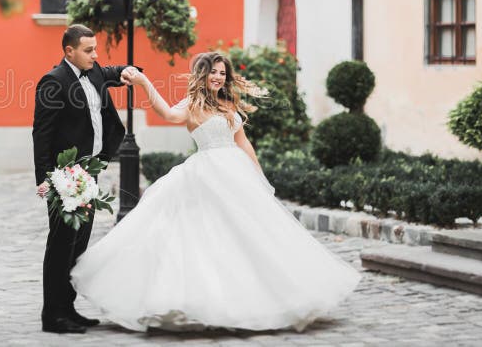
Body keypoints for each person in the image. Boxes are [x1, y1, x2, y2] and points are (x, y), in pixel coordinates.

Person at [69, 51, 361, 332]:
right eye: (214, 72)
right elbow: (168, 114)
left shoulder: (228, 103)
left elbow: (243, 142)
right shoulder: (192, 104)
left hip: (237, 173)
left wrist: (259, 177)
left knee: (251, 237)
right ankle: (208, 301)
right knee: (208, 236)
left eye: (223, 73)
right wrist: (145, 83)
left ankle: (256, 299)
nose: (219, 77)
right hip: (206, 174)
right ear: (203, 74)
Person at [32, 24, 137, 334]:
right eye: (89, 50)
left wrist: (129, 71)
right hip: (64, 178)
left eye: (96, 48)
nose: (96, 54)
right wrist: (46, 181)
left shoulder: (93, 72)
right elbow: (42, 135)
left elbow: (111, 72)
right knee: (61, 246)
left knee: (78, 245)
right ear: (69, 51)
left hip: (88, 173)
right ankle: (52, 315)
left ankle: (68, 309)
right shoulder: (53, 82)